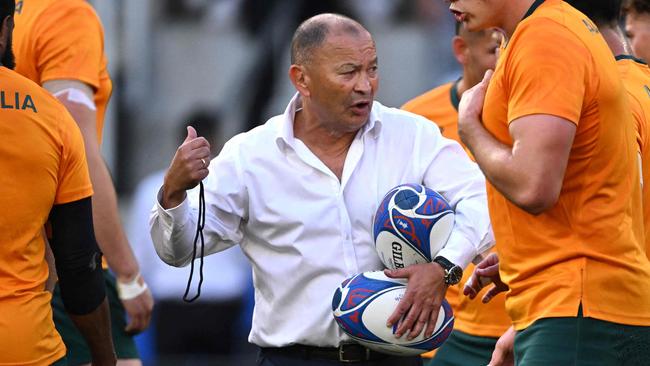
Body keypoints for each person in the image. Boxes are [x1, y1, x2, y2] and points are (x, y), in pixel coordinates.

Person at [150, 13, 494, 366]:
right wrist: (173, 194)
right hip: (292, 359)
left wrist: (442, 267)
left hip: (395, 358)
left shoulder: (412, 135)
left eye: (372, 68)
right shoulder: (249, 156)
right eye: (349, 72)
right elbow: (178, 250)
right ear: (302, 79)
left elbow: (480, 199)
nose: (365, 85)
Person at [449, 0, 650, 364]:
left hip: (579, 305)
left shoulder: (546, 36)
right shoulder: (547, 30)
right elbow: (587, 186)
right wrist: (520, 250)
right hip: (575, 304)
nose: (450, 3)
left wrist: (470, 130)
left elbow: (533, 186)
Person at [12, 1, 154, 365]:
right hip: (57, 268)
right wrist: (127, 272)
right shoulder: (64, 15)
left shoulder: (17, 15)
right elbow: (78, 156)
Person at [0, 0, 116, 364]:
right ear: (6, 29)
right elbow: (78, 261)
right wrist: (104, 356)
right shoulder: (51, 116)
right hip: (24, 347)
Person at [402, 23, 511, 366]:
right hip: (452, 326)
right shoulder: (416, 120)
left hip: (531, 315)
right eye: (495, 50)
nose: (507, 60)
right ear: (461, 50)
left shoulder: (541, 118)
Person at [129, 109, 253, 364]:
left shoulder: (150, 188)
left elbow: (140, 254)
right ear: (218, 140)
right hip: (223, 301)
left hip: (173, 301)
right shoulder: (235, 186)